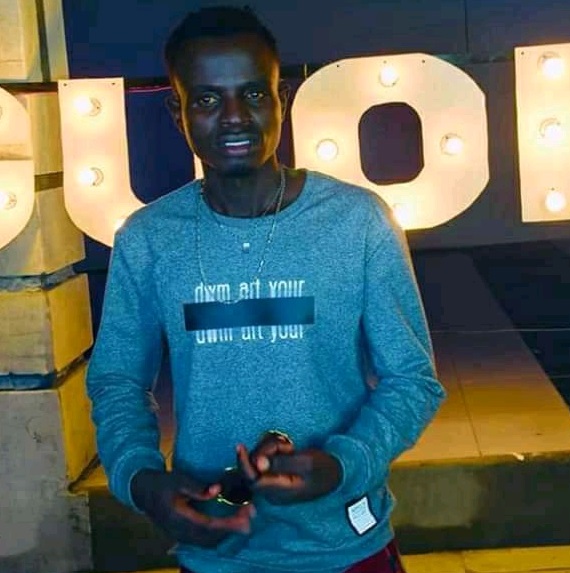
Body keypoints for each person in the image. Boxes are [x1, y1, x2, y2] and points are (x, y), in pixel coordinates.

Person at [86, 5, 446, 573]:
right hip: (217, 552)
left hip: (344, 547)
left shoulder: (357, 222)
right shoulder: (148, 239)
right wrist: (143, 481)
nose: (234, 118)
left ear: (282, 98)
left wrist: (343, 463)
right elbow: (117, 383)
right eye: (208, 99)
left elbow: (413, 381)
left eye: (253, 94)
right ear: (178, 112)